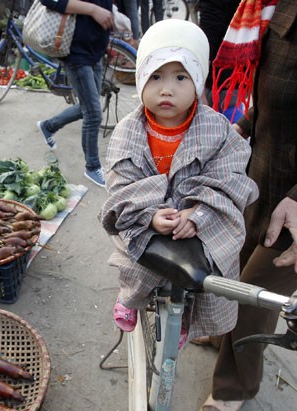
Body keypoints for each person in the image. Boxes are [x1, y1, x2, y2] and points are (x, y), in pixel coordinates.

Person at [197, 0, 297, 411]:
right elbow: (285, 84)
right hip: (265, 173)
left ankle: (234, 385)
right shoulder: (267, 5)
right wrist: (243, 125)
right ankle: (222, 333)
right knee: (231, 270)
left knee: (254, 291)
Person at [98, 20, 258, 338]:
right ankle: (129, 297)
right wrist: (149, 215)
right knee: (137, 259)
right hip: (146, 218)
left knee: (212, 265)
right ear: (141, 80)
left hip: (198, 217)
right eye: (155, 76)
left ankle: (184, 318)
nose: (166, 89)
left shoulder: (217, 129)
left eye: (180, 77)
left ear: (198, 83)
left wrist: (198, 214)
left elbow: (230, 178)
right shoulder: (129, 131)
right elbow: (121, 183)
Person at [36, 0, 114, 187]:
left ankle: (49, 126)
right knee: (94, 114)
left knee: (88, 105)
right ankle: (92, 166)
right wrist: (94, 10)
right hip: (75, 50)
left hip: (95, 48)